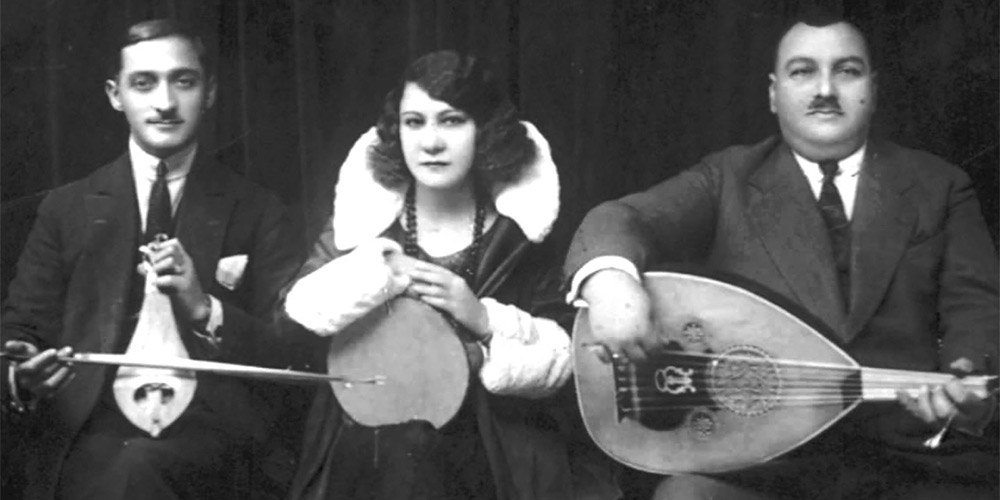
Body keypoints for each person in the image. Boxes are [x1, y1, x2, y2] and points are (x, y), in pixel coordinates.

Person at [563, 12, 998, 500]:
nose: (825, 89)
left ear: (873, 90)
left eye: (847, 71)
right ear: (774, 93)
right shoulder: (728, 177)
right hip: (764, 461)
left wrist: (963, 382)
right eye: (803, 71)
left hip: (911, 457)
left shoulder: (938, 185)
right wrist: (611, 285)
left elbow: (977, 306)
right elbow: (616, 219)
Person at [282, 50, 618, 500]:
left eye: (452, 120)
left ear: (485, 131)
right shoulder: (366, 228)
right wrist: (371, 273)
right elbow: (292, 321)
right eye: (414, 122)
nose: (431, 142)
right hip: (368, 428)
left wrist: (482, 318)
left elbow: (565, 359)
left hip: (491, 434)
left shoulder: (518, 234)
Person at [1, 18, 302, 499]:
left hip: (212, 436)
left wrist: (205, 308)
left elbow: (291, 350)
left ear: (209, 92)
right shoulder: (66, 208)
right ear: (115, 95)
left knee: (140, 471)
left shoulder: (259, 209)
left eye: (183, 81)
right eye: (144, 83)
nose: (164, 103)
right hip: (89, 428)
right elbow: (21, 332)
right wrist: (21, 374)